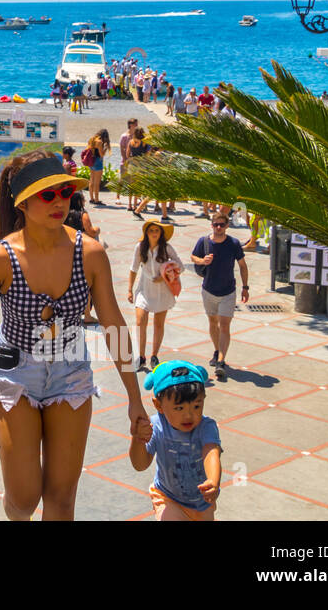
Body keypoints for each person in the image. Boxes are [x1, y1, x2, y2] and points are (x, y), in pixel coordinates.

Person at [0, 150, 148, 520]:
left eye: (64, 192)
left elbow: (114, 325)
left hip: (70, 374)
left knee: (61, 498)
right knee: (24, 498)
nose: (59, 202)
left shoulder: (89, 254)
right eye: (47, 195)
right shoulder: (1, 258)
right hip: (15, 374)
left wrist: (134, 398)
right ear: (22, 202)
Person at [129, 361, 221, 521]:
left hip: (202, 503)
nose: (189, 415)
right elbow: (140, 464)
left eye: (197, 406)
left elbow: (211, 453)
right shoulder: (157, 426)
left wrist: (213, 480)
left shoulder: (206, 427)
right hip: (167, 497)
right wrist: (138, 439)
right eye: (179, 408)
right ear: (158, 405)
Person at [191, 212, 249, 380]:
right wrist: (202, 261)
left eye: (221, 225)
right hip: (208, 290)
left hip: (228, 291)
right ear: (211, 225)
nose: (218, 227)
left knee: (224, 325)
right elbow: (193, 257)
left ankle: (221, 361)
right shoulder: (204, 242)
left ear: (227, 226)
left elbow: (243, 266)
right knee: (212, 322)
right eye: (216, 224)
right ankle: (217, 350)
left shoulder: (233, 243)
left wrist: (245, 287)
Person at [128, 220, 182, 372]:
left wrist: (165, 274)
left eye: (156, 231)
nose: (154, 233)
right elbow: (133, 269)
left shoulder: (167, 248)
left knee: (159, 324)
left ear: (161, 233)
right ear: (146, 233)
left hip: (162, 291)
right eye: (151, 230)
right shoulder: (139, 248)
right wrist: (129, 289)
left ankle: (154, 356)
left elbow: (180, 266)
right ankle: (141, 356)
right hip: (144, 290)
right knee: (140, 322)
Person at [84, 129, 110, 205]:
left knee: (91, 180)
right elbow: (101, 154)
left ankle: (91, 198)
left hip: (91, 161)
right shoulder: (100, 142)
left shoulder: (92, 139)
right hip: (98, 162)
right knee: (97, 183)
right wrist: (105, 148)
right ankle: (97, 200)